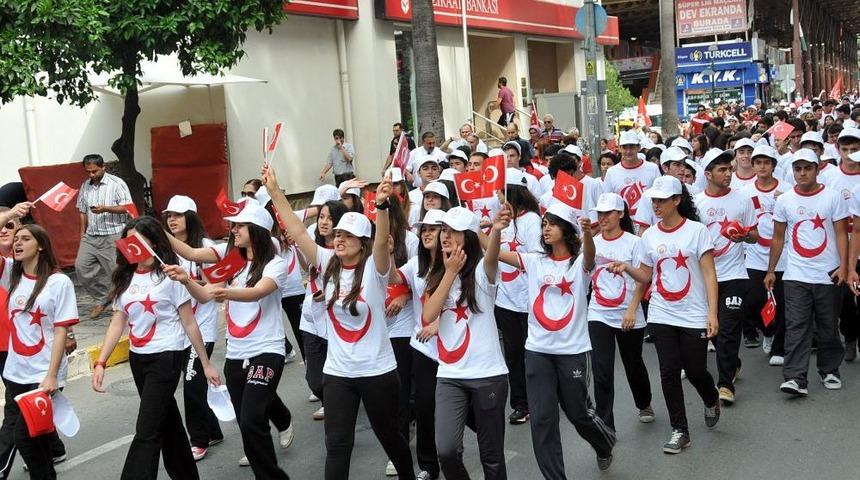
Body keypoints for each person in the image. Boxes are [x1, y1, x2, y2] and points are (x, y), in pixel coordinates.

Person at [268, 168, 414, 480]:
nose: (340, 240)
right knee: (336, 445)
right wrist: (276, 192)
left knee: (389, 437)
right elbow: (297, 231)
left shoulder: (375, 269)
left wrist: (384, 206)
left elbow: (381, 244)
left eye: (348, 236)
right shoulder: (324, 263)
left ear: (362, 242)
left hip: (377, 371)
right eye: (338, 235)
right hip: (338, 373)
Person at [494, 201, 616, 475]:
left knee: (578, 412)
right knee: (542, 418)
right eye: (544, 224)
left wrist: (586, 234)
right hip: (537, 350)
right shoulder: (535, 260)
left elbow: (589, 258)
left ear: (568, 229)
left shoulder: (578, 266)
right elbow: (496, 254)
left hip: (572, 349)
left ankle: (603, 441)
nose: (546, 228)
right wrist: (492, 227)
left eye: (552, 224)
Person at [93, 216, 220, 480]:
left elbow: (189, 322)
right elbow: (118, 323)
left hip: (167, 357)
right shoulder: (124, 279)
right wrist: (101, 362)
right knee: (167, 421)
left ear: (155, 242)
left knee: (147, 429)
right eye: (131, 242)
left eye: (144, 240)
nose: (138, 247)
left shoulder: (171, 276)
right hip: (138, 359)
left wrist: (206, 363)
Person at [609, 175, 721, 454]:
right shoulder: (649, 235)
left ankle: (711, 397)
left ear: (677, 201)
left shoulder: (697, 231)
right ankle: (680, 430)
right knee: (669, 372)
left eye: (661, 200)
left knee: (695, 370)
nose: (656, 205)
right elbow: (646, 275)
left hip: (694, 312)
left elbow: (709, 274)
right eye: (653, 200)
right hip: (662, 311)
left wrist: (713, 313)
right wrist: (628, 268)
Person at [418, 206, 508, 480]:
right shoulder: (437, 274)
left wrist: (496, 232)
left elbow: (491, 255)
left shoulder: (483, 272)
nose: (445, 236)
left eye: (453, 231)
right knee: (446, 450)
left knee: (491, 456)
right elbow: (428, 315)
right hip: (450, 375)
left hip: (488, 375)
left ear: (468, 237)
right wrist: (449, 272)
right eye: (443, 229)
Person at [765, 149, 850, 396]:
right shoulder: (784, 200)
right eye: (798, 169)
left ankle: (830, 369)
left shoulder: (832, 197)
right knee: (797, 326)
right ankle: (795, 377)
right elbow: (778, 237)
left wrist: (844, 267)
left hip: (828, 274)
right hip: (795, 276)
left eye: (807, 168)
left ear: (817, 169)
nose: (802, 173)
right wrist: (771, 270)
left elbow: (841, 234)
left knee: (828, 326)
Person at [0, 224, 77, 480]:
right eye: (16, 239)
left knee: (24, 437)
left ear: (41, 245)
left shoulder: (59, 282)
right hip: (15, 372)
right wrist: (10, 216)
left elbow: (61, 331)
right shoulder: (11, 273)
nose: (17, 243)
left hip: (44, 373)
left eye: (25, 239)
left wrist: (52, 375)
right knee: (38, 439)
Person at [161, 196, 224, 461]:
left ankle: (198, 440)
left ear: (191, 217)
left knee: (191, 385)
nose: (172, 220)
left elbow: (218, 290)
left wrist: (199, 285)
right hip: (179, 330)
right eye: (168, 216)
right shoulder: (164, 253)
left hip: (203, 327)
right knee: (193, 381)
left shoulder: (208, 248)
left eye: (177, 215)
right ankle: (212, 430)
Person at [695, 148, 758, 405]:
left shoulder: (743, 199)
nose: (728, 173)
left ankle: (725, 383)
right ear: (708, 174)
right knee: (715, 331)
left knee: (730, 328)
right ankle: (734, 362)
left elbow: (755, 235)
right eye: (721, 170)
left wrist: (744, 235)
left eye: (729, 169)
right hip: (705, 277)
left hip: (735, 274)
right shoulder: (696, 203)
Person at [589, 193, 654, 429]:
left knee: (633, 364)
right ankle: (606, 424)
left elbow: (642, 280)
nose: (603, 217)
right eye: (600, 213)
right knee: (601, 369)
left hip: (628, 312)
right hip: (598, 312)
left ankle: (644, 402)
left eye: (608, 213)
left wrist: (632, 309)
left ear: (621, 214)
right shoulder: (593, 242)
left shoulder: (634, 242)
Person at [389, 210, 445, 480]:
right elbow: (392, 278)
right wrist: (387, 253)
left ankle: (486, 437)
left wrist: (439, 324)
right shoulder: (415, 265)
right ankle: (428, 466)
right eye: (423, 229)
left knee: (461, 407)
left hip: (453, 348)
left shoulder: (457, 264)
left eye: (433, 229)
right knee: (424, 406)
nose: (426, 233)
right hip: (423, 347)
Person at [492, 170, 542, 426]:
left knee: (531, 354)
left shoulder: (532, 220)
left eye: (502, 192)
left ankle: (540, 398)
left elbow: (536, 259)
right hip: (506, 300)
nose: (499, 197)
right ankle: (520, 404)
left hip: (530, 300)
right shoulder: (503, 219)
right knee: (512, 355)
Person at [740, 145, 788, 366]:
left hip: (783, 253)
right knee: (752, 299)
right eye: (758, 162)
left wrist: (786, 199)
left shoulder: (787, 189)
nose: (762, 166)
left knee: (781, 302)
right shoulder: (745, 192)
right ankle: (766, 330)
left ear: (773, 166)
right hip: (755, 253)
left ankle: (779, 347)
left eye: (766, 163)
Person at [75, 153, 133, 318]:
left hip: (113, 234)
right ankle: (103, 299)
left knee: (116, 272)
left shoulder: (116, 183)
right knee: (81, 268)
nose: (92, 175)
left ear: (103, 167)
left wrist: (105, 208)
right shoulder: (85, 186)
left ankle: (122, 306)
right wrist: (82, 234)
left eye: (95, 171)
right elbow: (82, 211)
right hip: (91, 235)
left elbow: (128, 207)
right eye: (88, 172)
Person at [821, 129, 860, 361]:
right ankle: (850, 337)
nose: (849, 154)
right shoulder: (830, 178)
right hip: (839, 247)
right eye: (845, 149)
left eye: (854, 149)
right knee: (844, 300)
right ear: (838, 150)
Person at [603, 131, 660, 219]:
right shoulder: (611, 172)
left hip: (649, 222)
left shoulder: (653, 169)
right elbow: (607, 202)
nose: (628, 151)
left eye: (632, 147)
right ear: (620, 148)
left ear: (638, 147)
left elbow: (659, 197)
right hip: (623, 225)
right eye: (625, 147)